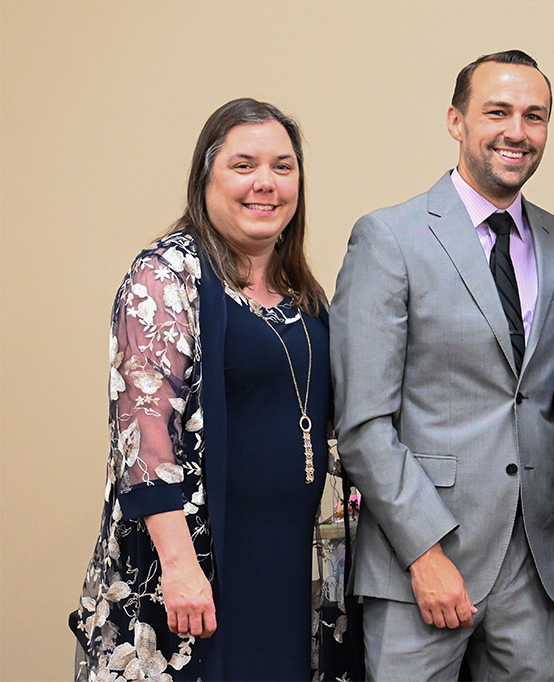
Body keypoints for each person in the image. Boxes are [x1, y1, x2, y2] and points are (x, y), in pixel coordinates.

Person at [330, 50, 554, 680]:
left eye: (535, 116)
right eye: (497, 111)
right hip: (421, 558)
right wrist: (424, 553)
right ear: (455, 120)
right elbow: (363, 424)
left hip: (538, 563)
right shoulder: (389, 238)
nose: (516, 132)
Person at [74, 98, 335, 680]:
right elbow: (142, 439)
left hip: (281, 563)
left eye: (283, 166)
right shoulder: (166, 277)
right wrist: (180, 567)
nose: (266, 183)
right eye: (244, 165)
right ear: (206, 178)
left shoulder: (303, 295)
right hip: (193, 569)